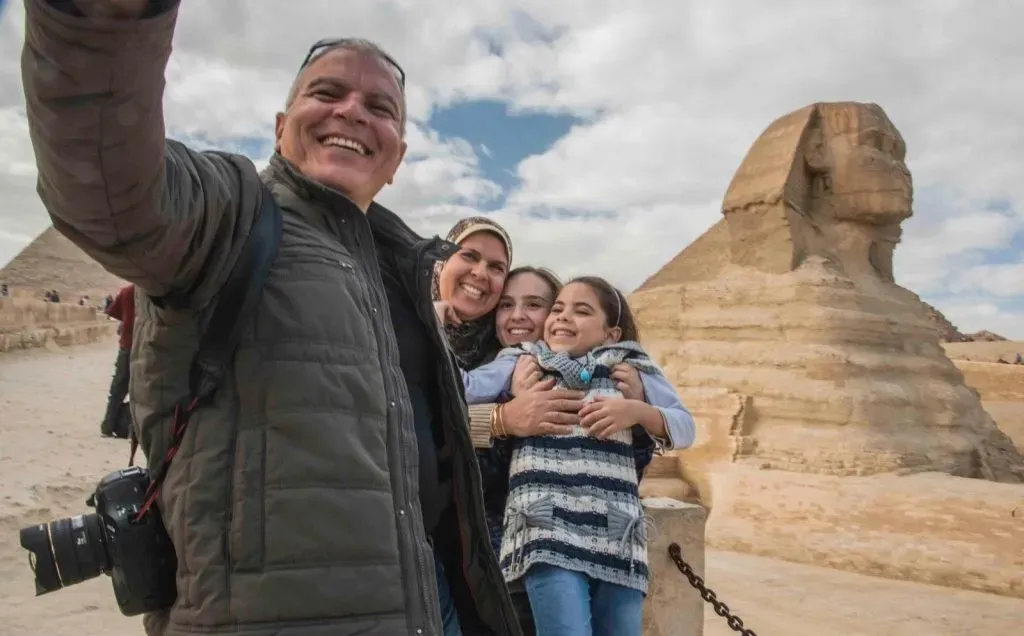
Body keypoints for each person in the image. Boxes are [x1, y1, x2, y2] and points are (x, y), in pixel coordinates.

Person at [22, 2, 518, 635]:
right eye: (327, 93)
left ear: (396, 160)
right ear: (282, 126)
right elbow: (110, 187)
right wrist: (102, 22)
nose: (352, 112)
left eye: (380, 107)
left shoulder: (401, 271)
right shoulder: (231, 218)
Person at [459, 276, 696, 636]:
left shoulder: (630, 368)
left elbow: (684, 427)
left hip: (617, 536)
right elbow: (461, 389)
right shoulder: (524, 361)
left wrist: (638, 410)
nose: (563, 317)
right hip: (545, 530)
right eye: (558, 309)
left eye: (581, 311)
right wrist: (506, 408)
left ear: (612, 334)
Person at [101, 284, 136, 438]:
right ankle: (134, 428)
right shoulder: (155, 290)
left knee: (118, 388)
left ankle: (108, 425)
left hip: (127, 345)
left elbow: (114, 311)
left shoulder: (127, 291)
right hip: (148, 347)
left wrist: (128, 318)